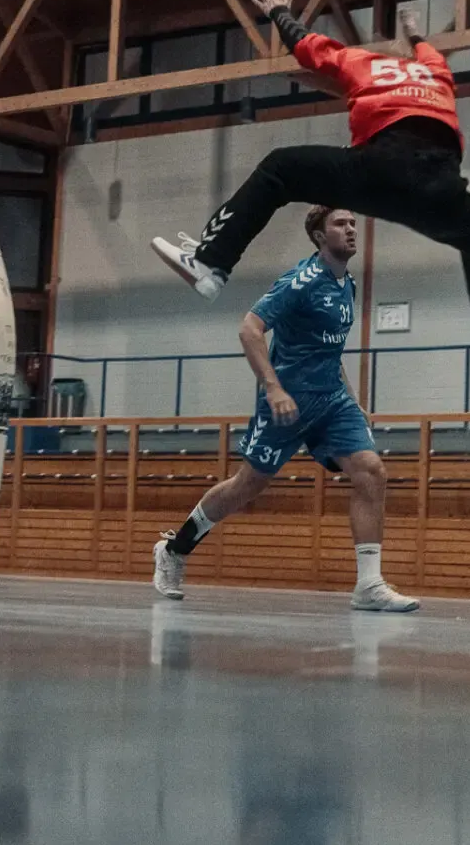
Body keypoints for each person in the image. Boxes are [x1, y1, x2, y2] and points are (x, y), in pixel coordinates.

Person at [151, 0, 470, 355]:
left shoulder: (363, 62)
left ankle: (210, 263)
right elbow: (426, 49)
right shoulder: (437, 73)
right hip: (439, 185)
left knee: (280, 168)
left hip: (377, 169)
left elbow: (306, 46)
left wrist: (279, 10)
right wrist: (413, 33)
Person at [151, 206, 418, 612]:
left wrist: (353, 399)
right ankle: (175, 548)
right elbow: (250, 328)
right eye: (340, 224)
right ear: (318, 236)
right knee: (247, 485)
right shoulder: (300, 282)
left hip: (331, 401)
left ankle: (369, 585)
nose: (350, 230)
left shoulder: (346, 285)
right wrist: (273, 389)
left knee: (371, 471)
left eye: (352, 223)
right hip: (287, 405)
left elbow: (329, 350)